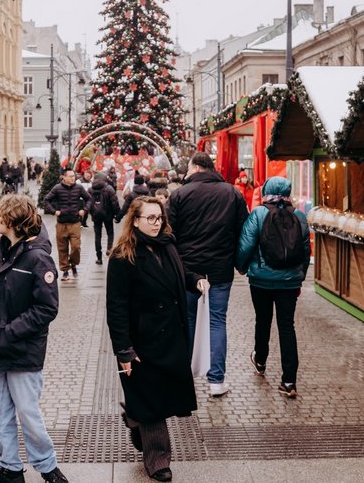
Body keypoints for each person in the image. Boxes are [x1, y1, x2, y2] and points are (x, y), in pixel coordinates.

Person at [106, 197, 209, 482]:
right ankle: (158, 459)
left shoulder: (168, 245)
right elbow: (115, 307)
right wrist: (123, 350)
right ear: (135, 220)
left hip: (172, 337)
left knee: (158, 397)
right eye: (149, 218)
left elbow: (178, 274)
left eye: (159, 218)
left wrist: (195, 280)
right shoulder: (122, 256)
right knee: (152, 402)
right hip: (142, 342)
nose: (156, 223)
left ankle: (134, 417)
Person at [0, 195, 69, 483]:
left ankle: (48, 467)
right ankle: (9, 468)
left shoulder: (38, 258)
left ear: (13, 221)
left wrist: (10, 331)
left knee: (27, 413)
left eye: (1, 214)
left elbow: (47, 308)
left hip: (22, 348)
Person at [169, 151, 248, 397]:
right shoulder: (232, 193)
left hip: (187, 269)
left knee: (188, 320)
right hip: (219, 269)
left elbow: (169, 232)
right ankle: (216, 380)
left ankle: (186, 376)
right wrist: (238, 262)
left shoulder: (179, 194)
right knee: (217, 322)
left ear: (194, 167)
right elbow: (243, 231)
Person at [235, 176, 310, 398]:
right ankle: (289, 381)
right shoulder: (299, 216)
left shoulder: (258, 213)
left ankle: (260, 361)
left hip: (261, 280)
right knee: (287, 326)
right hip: (289, 283)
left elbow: (246, 244)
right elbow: (305, 251)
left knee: (263, 320)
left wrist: (241, 267)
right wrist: (300, 276)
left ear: (266, 190)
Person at [43, 168, 91, 281]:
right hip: (61, 224)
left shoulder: (79, 188)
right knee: (62, 248)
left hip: (75, 222)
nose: (73, 178)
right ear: (64, 177)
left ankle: (73, 264)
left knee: (76, 247)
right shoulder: (57, 188)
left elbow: (89, 199)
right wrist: (54, 211)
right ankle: (65, 270)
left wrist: (84, 210)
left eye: (74, 176)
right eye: (70, 176)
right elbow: (46, 200)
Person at [90, 172, 120, 265]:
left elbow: (88, 203)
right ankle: (109, 249)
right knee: (110, 233)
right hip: (108, 215)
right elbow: (115, 203)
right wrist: (117, 214)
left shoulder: (90, 189)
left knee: (97, 236)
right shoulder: (109, 188)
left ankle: (99, 258)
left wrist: (91, 213)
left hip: (96, 216)